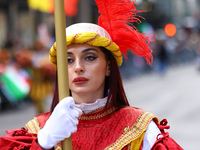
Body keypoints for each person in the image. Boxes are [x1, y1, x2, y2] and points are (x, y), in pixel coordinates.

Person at [0, 0, 183, 149]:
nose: (78, 67)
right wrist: (43, 142)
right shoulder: (36, 130)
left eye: (89, 57)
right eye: (68, 60)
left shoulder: (142, 130)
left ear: (109, 67)